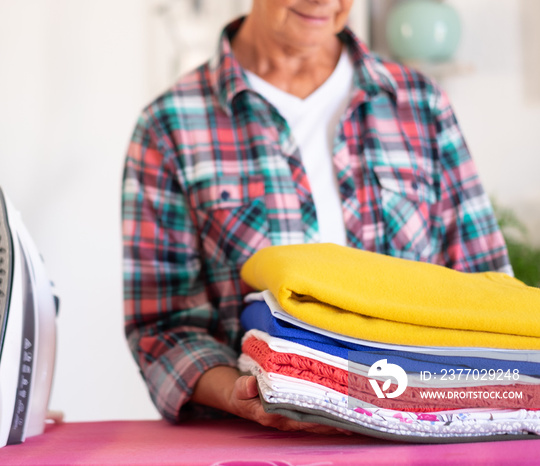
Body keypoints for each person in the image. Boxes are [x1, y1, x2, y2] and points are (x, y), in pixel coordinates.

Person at [121, 0, 511, 432]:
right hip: (260, 445)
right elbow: (162, 328)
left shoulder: (420, 104)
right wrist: (240, 395)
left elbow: (488, 290)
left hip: (423, 434)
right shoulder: (168, 125)